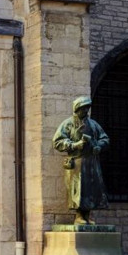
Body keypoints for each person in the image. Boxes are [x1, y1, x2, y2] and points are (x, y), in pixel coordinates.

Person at [52, 96, 109, 225]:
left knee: (91, 189)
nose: (86, 111)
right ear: (77, 109)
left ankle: (87, 215)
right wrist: (74, 145)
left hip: (91, 162)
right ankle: (79, 216)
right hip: (77, 162)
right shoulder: (68, 124)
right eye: (83, 109)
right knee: (78, 189)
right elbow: (57, 141)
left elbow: (105, 139)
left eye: (87, 108)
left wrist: (99, 146)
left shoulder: (93, 124)